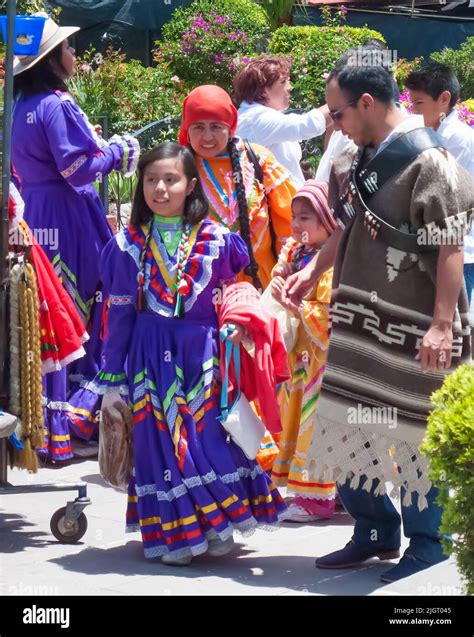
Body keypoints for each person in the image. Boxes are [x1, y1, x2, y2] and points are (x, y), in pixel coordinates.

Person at [282, 62, 473, 582]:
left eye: (338, 112)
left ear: (367, 104)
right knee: (349, 424)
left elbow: (450, 247)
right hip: (358, 320)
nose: (333, 122)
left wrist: (440, 325)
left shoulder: (431, 162)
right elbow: (343, 228)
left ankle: (429, 541)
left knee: (412, 433)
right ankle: (374, 528)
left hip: (414, 327)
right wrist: (311, 272)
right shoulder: (355, 156)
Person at [98, 143, 286, 565]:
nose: (160, 189)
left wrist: (239, 321)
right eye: (151, 180)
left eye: (171, 179)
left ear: (190, 185)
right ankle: (178, 534)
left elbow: (234, 292)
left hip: (201, 354)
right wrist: (111, 381)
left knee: (205, 440)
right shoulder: (126, 246)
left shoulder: (218, 241)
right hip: (148, 358)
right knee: (159, 445)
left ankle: (218, 521)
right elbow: (121, 313)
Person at [11, 13, 139, 461]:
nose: (74, 53)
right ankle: (79, 419)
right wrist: (119, 151)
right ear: (50, 60)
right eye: (67, 48)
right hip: (70, 215)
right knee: (84, 307)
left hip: (36, 213)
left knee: (52, 312)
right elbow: (77, 169)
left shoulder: (17, 109)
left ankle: (48, 423)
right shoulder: (57, 105)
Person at [179, 84, 295, 292]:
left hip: (261, 285)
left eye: (216, 126)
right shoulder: (179, 168)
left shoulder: (258, 161)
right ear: (187, 129)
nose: (207, 137)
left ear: (230, 126)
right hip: (199, 290)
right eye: (198, 127)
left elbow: (289, 224)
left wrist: (286, 274)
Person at [270, 181, 337, 522]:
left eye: (306, 217)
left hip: (324, 364)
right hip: (302, 358)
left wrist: (296, 306)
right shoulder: (298, 252)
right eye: (294, 216)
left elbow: (330, 319)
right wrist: (281, 276)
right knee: (299, 421)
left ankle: (318, 499)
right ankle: (328, 492)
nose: (296, 225)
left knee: (317, 425)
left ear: (328, 220)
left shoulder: (332, 266)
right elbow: (282, 267)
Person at [406, 62, 474, 305]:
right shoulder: (435, 132)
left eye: (419, 103)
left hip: (457, 250)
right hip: (437, 245)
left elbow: (446, 193)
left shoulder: (456, 137)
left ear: (444, 99)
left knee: (452, 324)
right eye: (411, 103)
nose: (413, 111)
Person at [234, 57, 329, 187]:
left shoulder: (257, 115)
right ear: (263, 90)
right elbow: (307, 125)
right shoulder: (255, 119)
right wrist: (345, 98)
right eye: (283, 82)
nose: (290, 87)